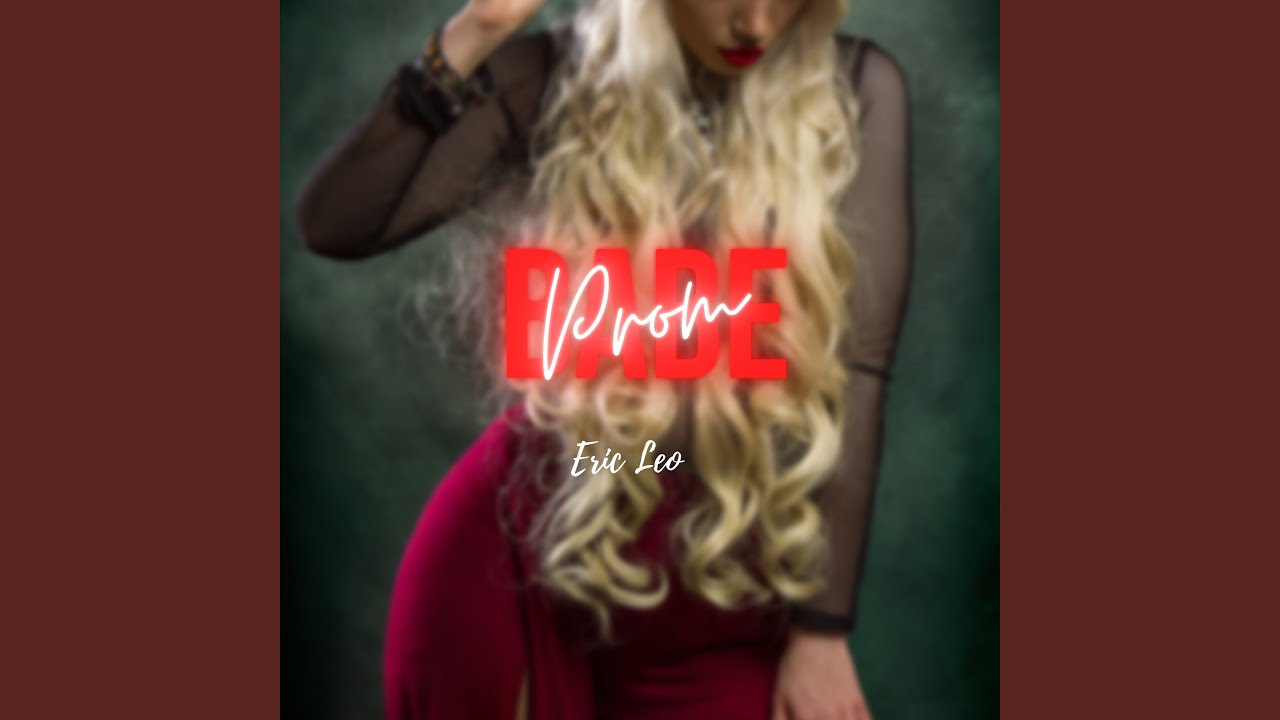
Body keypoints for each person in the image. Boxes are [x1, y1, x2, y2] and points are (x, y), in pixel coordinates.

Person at [295, 0, 912, 717]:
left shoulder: (855, 86)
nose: (757, 25)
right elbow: (335, 223)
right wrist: (479, 30)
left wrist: (822, 633)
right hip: (525, 550)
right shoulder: (555, 76)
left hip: (726, 589)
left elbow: (861, 373)